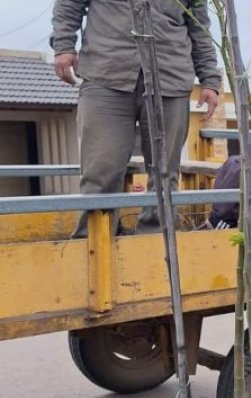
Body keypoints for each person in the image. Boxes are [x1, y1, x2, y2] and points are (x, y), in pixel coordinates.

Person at [51, 0, 221, 237]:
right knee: (101, 171)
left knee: (165, 174)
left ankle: (154, 246)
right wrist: (63, 46)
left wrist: (209, 79)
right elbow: (69, 4)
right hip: (106, 73)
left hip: (169, 78)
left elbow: (199, 26)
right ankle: (93, 246)